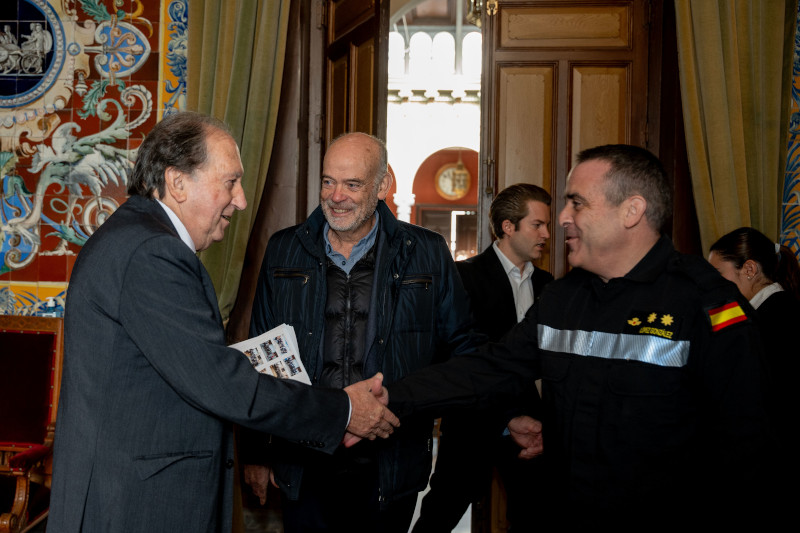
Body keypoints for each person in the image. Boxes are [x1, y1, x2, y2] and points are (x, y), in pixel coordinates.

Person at [389, 144, 774, 529]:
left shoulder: (706, 304)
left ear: (632, 211)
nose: (561, 218)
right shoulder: (562, 300)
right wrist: (385, 398)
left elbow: (747, 449)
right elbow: (487, 368)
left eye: (577, 203)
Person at [48, 112, 399, 533]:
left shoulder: (137, 237)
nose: (241, 200)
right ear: (178, 183)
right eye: (230, 182)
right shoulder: (152, 253)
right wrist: (344, 409)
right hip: (135, 505)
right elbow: (222, 384)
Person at [241, 132, 482, 533]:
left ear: (382, 185)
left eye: (352, 184)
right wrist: (256, 452)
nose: (336, 196)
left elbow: (462, 347)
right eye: (328, 181)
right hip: (305, 458)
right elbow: (260, 357)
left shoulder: (426, 252)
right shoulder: (284, 250)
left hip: (390, 461)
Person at [413, 183, 553, 532]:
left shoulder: (549, 285)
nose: (546, 235)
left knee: (535, 518)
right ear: (508, 226)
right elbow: (460, 360)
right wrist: (507, 416)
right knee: (439, 517)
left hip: (531, 430)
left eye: (547, 225)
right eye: (537, 225)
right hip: (472, 425)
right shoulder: (464, 277)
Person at [708, 227, 800, 465]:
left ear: (749, 269)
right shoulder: (772, 311)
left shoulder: (773, 320)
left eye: (718, 275)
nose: (712, 287)